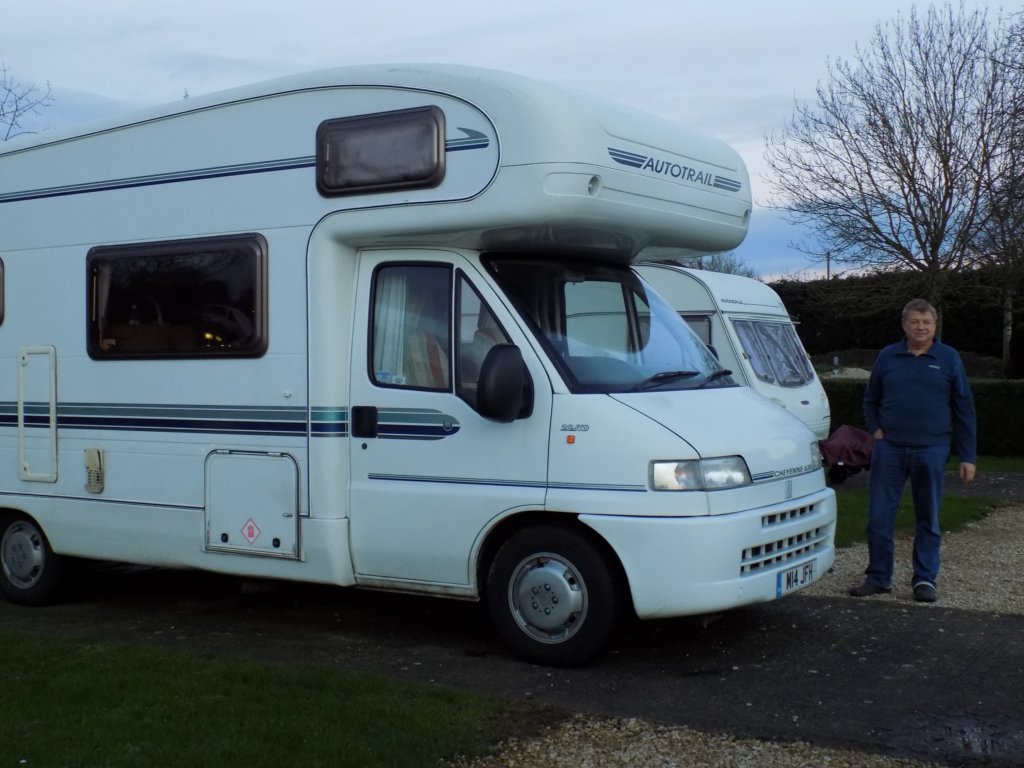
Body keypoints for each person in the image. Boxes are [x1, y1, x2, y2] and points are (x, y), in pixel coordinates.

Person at [848, 298, 977, 603]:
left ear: (934, 326)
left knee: (928, 518)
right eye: (915, 322)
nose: (921, 327)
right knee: (878, 516)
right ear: (904, 325)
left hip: (932, 449)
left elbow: (964, 408)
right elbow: (871, 399)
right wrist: (875, 429)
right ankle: (879, 577)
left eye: (926, 322)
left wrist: (968, 456)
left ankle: (924, 580)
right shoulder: (887, 356)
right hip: (889, 449)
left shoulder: (948, 358)